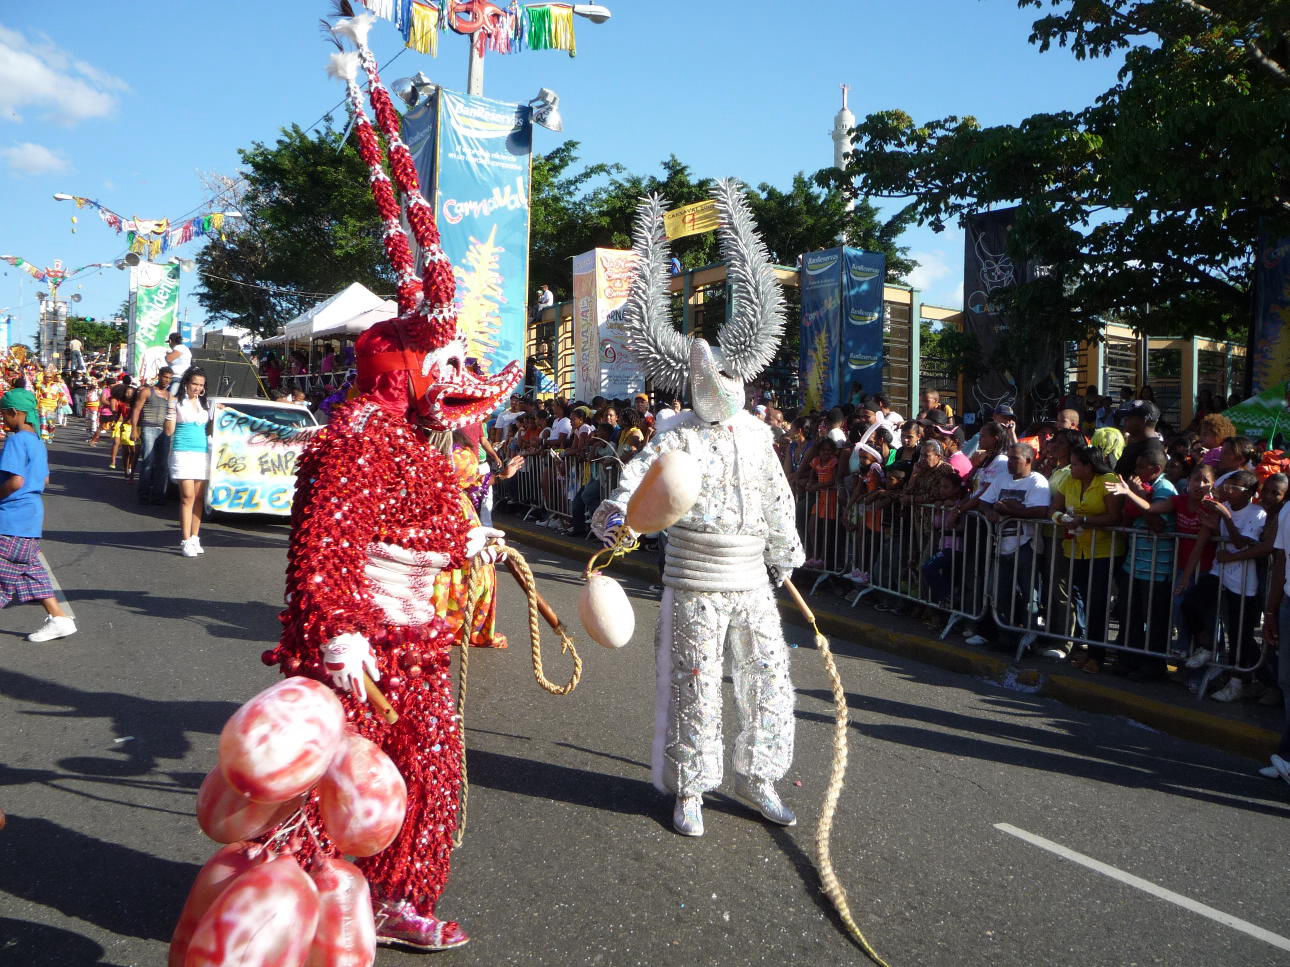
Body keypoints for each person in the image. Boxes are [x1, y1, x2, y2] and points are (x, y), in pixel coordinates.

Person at [263, 34, 523, 950]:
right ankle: (316, 902)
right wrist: (336, 628)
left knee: (433, 772)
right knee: (347, 783)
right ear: (404, 365)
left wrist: (474, 541)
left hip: (417, 636)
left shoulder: (418, 435)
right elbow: (324, 544)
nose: (458, 372)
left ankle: (399, 898)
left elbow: (435, 520)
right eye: (441, 358)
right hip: (364, 640)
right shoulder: (362, 431)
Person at [593, 181, 805, 839]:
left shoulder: (759, 434)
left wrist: (785, 552)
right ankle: (690, 788)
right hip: (694, 583)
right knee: (696, 687)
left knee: (768, 678)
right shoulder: (675, 431)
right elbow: (639, 479)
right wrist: (616, 511)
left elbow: (776, 496)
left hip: (751, 582)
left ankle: (762, 776)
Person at [0, 387, 76, 641]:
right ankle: (59, 619)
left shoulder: (16, 440)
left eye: (4, 414)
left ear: (15, 413)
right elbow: (44, 478)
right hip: (31, 518)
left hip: (11, 518)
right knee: (31, 570)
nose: (3, 419)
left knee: (4, 574)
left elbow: (16, 481)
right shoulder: (36, 441)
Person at [1051, 445, 1126, 673]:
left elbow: (1113, 516)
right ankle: (1088, 649)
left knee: (1098, 603)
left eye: (1074, 464)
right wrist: (1061, 518)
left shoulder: (1108, 480)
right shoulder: (1069, 480)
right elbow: (1054, 508)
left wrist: (1083, 520)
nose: (1070, 467)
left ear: (1088, 466)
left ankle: (1097, 655)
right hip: (1076, 549)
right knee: (1083, 599)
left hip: (1103, 552)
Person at [165, 368, 212, 557]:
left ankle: (194, 537)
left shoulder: (204, 404)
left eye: (201, 385)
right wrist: (170, 410)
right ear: (186, 383)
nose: (198, 388)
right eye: (195, 384)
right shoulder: (177, 403)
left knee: (199, 497)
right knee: (187, 496)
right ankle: (185, 540)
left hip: (202, 454)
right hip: (183, 452)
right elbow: (168, 431)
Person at [130, 367, 175, 505]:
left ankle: (158, 495)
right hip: (148, 428)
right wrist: (134, 429)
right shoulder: (147, 391)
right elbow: (136, 409)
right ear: (159, 376)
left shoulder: (170, 396)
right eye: (165, 377)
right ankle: (143, 495)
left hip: (164, 431)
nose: (167, 380)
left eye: (169, 378)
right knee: (148, 462)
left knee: (162, 465)